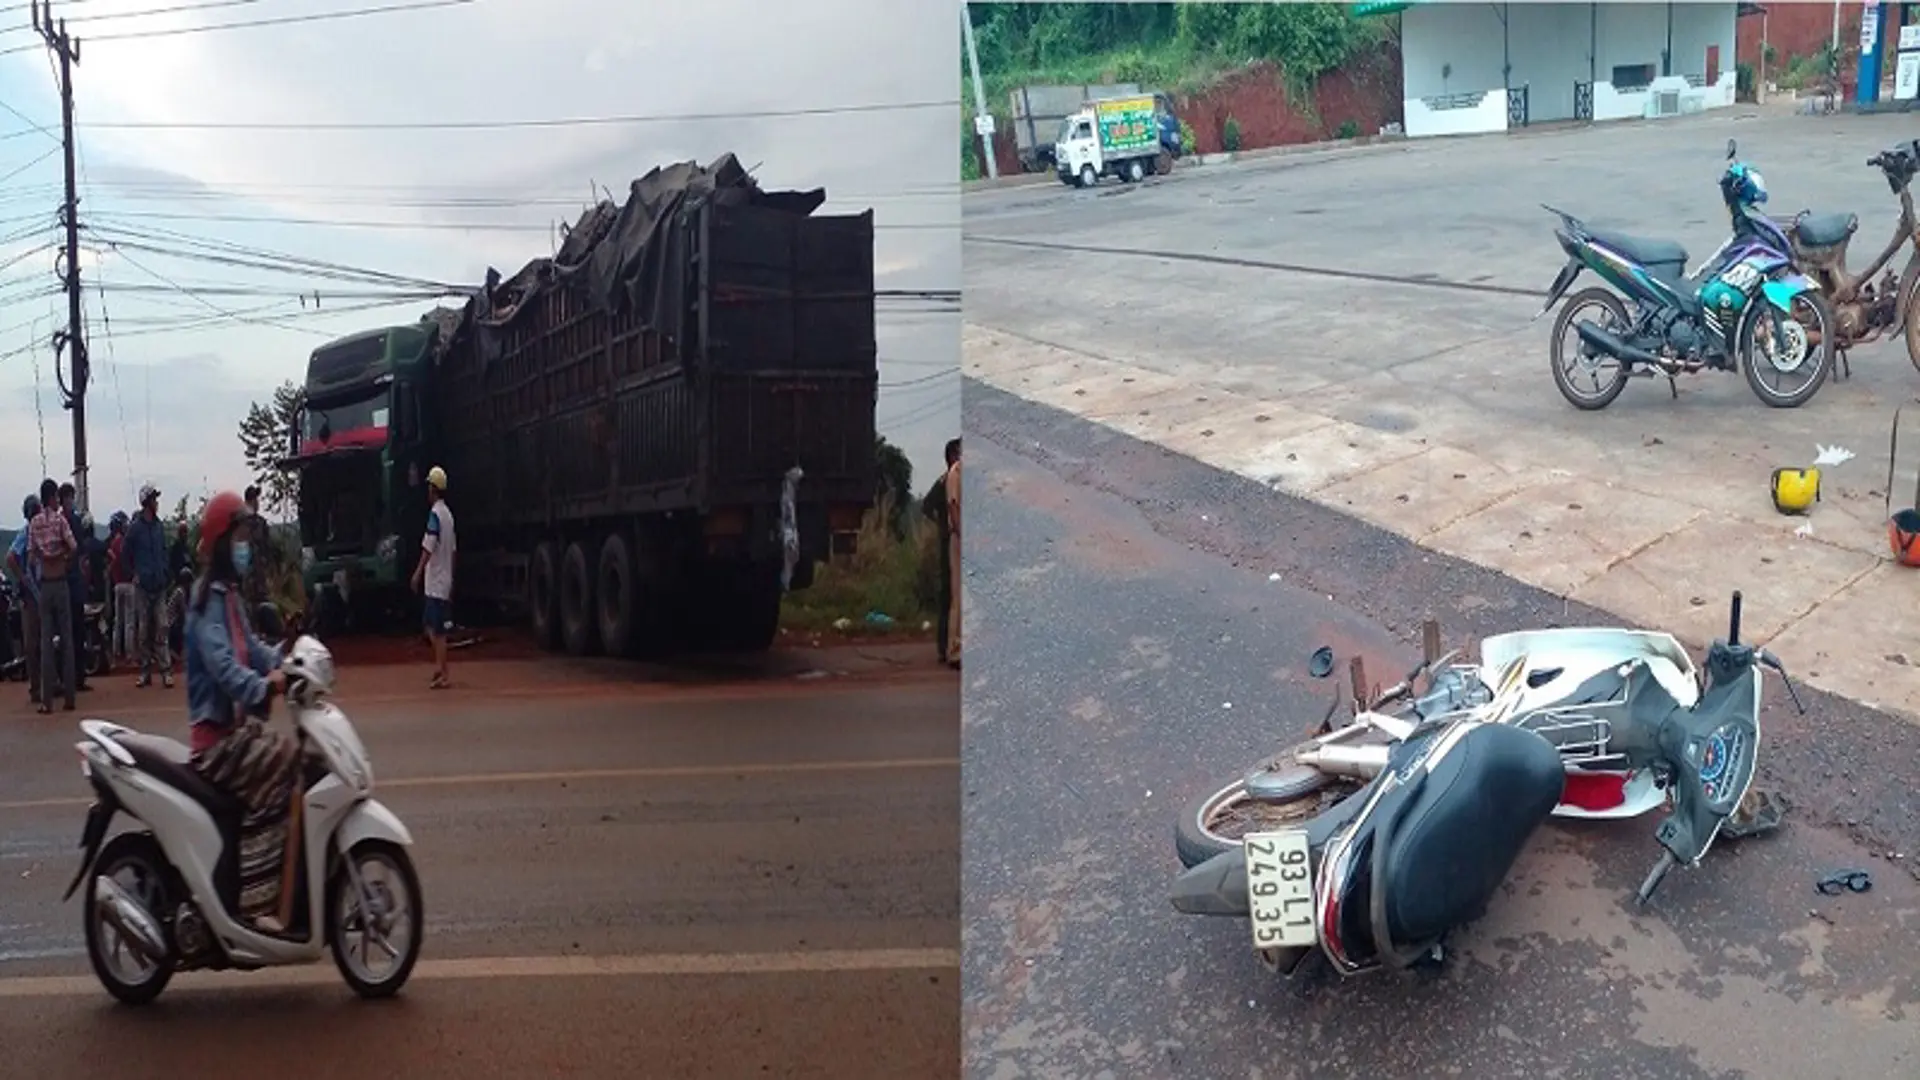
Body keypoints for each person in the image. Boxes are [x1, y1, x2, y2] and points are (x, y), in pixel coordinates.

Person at [184, 490, 300, 934]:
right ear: (220, 542)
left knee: (299, 760)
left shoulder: (227, 595)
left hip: (235, 732)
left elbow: (250, 649)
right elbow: (226, 668)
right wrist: (263, 686)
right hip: (216, 743)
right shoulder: (204, 602)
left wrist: (286, 659)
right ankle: (254, 905)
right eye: (239, 534)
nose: (245, 543)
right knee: (282, 771)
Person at [29, 479, 78, 713]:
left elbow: (31, 556)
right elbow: (74, 546)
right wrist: (63, 557)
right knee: (66, 641)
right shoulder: (60, 520)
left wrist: (43, 558)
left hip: (45, 584)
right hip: (60, 580)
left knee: (45, 642)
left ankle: (46, 701)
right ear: (52, 498)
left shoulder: (35, 523)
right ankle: (69, 698)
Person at [410, 466, 456, 689]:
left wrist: (417, 573)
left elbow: (428, 547)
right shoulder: (448, 515)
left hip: (436, 582)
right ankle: (439, 667)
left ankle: (444, 672)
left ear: (433, 489)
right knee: (431, 626)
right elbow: (454, 551)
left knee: (437, 631)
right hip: (443, 581)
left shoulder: (436, 515)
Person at [125, 485, 172, 689]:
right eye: (153, 499)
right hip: (143, 586)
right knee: (143, 630)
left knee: (161, 626)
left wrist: (165, 571)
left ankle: (165, 670)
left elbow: (163, 551)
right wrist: (133, 574)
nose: (156, 502)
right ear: (146, 502)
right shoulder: (135, 528)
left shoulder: (159, 526)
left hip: (159, 584)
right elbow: (125, 554)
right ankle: (145, 671)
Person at [920, 438, 961, 665]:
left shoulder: (954, 480)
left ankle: (948, 645)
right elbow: (927, 506)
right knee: (948, 594)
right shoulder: (945, 481)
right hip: (950, 541)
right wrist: (943, 526)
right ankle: (945, 646)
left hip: (951, 539)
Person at [5, 496, 43, 707]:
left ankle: (40, 685)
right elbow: (10, 557)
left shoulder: (32, 530)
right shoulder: (28, 531)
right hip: (32, 595)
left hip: (37, 593)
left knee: (38, 642)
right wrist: (24, 579)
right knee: (34, 643)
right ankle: (37, 686)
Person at [56, 482, 91, 693]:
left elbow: (82, 551)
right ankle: (66, 677)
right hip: (64, 581)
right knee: (64, 632)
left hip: (75, 582)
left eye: (71, 496)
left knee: (78, 631)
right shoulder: (60, 521)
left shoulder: (74, 521)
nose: (70, 500)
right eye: (67, 497)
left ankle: (79, 677)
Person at [107, 511, 133, 666]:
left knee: (118, 621)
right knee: (129, 621)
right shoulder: (126, 542)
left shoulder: (113, 543)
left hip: (117, 584)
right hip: (129, 584)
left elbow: (112, 562)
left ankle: (117, 652)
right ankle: (129, 653)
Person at [944, 444, 962, 671]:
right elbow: (953, 508)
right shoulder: (955, 474)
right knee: (958, 596)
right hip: (960, 540)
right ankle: (955, 650)